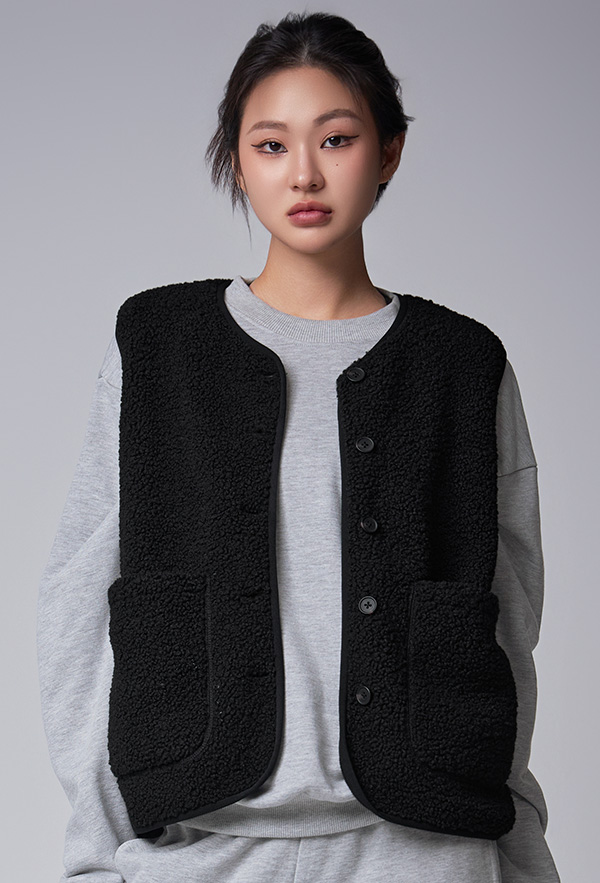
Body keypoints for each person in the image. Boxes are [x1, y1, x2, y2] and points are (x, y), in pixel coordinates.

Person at [37, 10, 561, 882]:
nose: (305, 173)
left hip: (423, 850)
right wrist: (96, 850)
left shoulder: (462, 365)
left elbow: (506, 628)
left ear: (389, 152)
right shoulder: (159, 346)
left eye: (338, 138)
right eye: (272, 145)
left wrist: (523, 853)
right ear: (237, 161)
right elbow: (77, 608)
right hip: (201, 843)